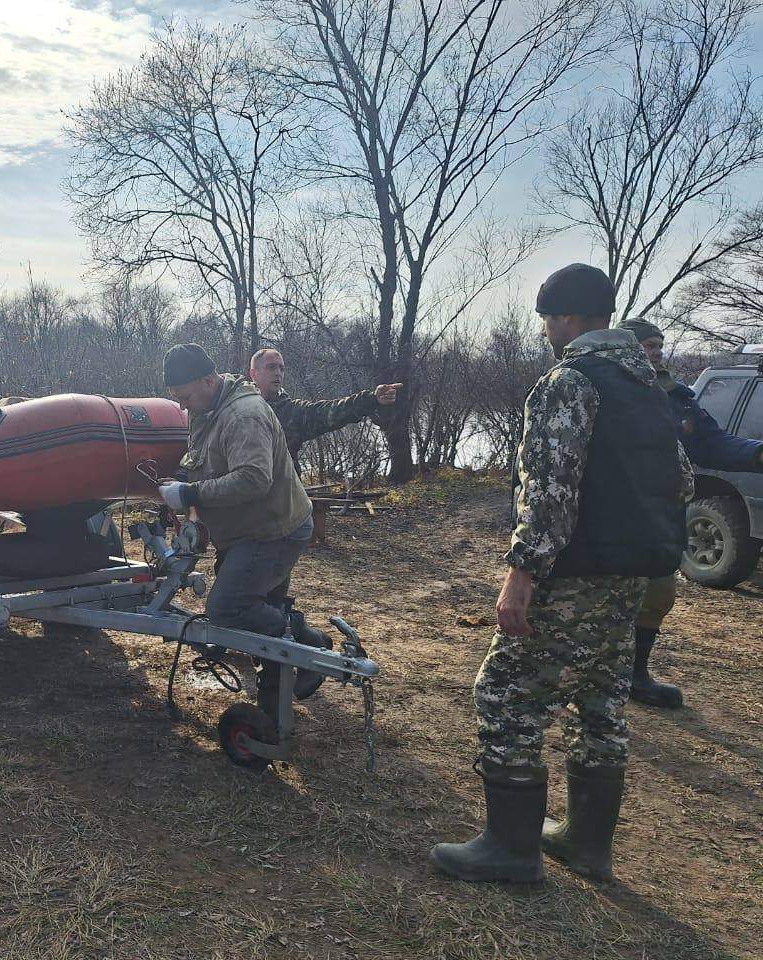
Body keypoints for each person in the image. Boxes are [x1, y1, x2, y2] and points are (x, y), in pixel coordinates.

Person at [430, 265, 694, 883]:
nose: (547, 329)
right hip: (632, 574)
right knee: (600, 697)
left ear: (568, 319)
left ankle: (511, 848)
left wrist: (522, 575)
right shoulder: (649, 387)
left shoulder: (569, 382)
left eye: (548, 318)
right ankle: (587, 844)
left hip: (573, 572)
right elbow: (681, 480)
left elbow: (549, 492)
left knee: (506, 690)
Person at [157, 344, 327, 712]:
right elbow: (204, 458)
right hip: (254, 528)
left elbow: (253, 479)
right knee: (263, 607)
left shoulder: (243, 415)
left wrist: (189, 493)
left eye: (184, 397)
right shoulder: (207, 408)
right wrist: (181, 482)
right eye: (177, 400)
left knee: (228, 607)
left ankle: (308, 644)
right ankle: (273, 700)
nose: (183, 407)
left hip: (274, 530)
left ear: (207, 380)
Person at [615, 318, 763, 708]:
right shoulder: (604, 390)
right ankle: (585, 681)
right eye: (648, 344)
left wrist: (757, 452)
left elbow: (713, 443)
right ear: (626, 347)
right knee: (601, 602)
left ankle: (636, 676)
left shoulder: (677, 396)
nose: (657, 351)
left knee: (658, 595)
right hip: (610, 518)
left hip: (662, 518)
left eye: (659, 344)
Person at [247, 347, 402, 471]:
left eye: (281, 368)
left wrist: (372, 399)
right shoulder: (238, 408)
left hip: (284, 500)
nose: (278, 373)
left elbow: (332, 411)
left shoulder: (293, 413)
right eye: (271, 367)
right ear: (254, 373)